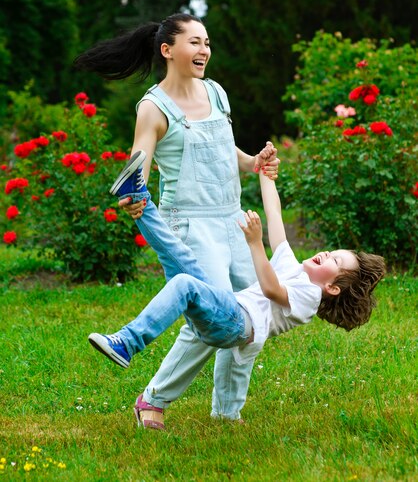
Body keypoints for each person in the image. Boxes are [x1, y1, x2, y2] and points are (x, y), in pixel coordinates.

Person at [75, 13, 279, 430]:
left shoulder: (216, 93)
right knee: (214, 315)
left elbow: (225, 150)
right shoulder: (153, 107)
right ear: (168, 50)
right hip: (188, 225)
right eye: (194, 42)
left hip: (234, 220)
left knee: (253, 316)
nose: (204, 50)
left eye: (207, 42)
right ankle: (152, 399)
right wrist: (135, 196)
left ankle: (227, 410)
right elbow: (138, 165)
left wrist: (252, 161)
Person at [88, 151, 386, 429]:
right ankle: (138, 196)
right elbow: (276, 216)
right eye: (334, 251)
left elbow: (271, 290)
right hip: (227, 312)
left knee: (184, 284)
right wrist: (265, 171)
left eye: (336, 260)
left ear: (332, 288)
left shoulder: (310, 297)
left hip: (235, 325)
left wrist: (255, 244)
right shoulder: (292, 267)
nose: (328, 253)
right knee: (177, 255)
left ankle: (126, 343)